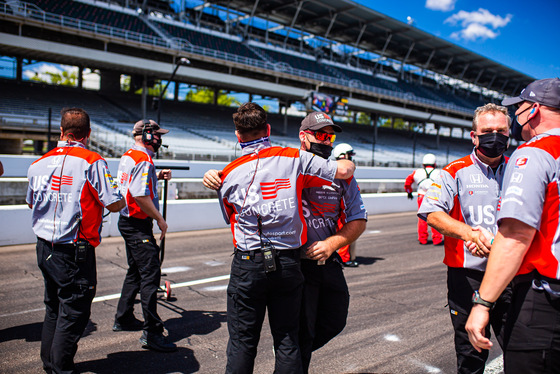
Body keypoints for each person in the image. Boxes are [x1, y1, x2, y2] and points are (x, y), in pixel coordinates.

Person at [201, 103, 355, 373]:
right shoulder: (294, 158)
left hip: (248, 264)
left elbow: (229, 216)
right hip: (287, 264)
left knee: (241, 343)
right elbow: (344, 171)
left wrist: (215, 177)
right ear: (268, 129)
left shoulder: (227, 174)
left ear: (238, 136)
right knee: (287, 341)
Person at [466, 78, 560, 373]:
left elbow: (516, 235)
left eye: (517, 109)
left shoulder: (534, 153)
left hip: (545, 301)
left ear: (532, 110)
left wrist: (483, 303)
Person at [26, 108, 124, 374]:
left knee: (54, 307)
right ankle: (61, 368)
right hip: (74, 250)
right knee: (75, 311)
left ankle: (50, 364)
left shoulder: (38, 162)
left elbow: (31, 202)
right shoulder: (92, 161)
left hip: (44, 246)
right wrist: (121, 197)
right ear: (88, 134)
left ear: (61, 131)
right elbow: (113, 203)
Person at [418, 103, 512, 373]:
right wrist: (467, 232)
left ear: (509, 134)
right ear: (474, 136)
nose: (495, 136)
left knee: (520, 348)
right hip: (468, 274)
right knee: (470, 353)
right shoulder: (453, 171)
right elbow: (431, 212)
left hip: (513, 273)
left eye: (501, 131)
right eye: (487, 131)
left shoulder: (520, 170)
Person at [297, 118, 367, 373]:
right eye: (321, 136)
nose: (326, 141)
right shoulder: (289, 165)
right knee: (302, 332)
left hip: (327, 261)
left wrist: (331, 243)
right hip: (294, 265)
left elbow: (359, 219)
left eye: (330, 138)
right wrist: (217, 175)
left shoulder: (341, 174)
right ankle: (292, 356)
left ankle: (290, 351)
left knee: (335, 319)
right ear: (304, 136)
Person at [113, 119, 175, 352]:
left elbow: (133, 184)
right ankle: (152, 333)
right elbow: (139, 195)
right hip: (138, 224)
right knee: (150, 275)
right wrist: (159, 218)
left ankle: (124, 317)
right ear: (147, 135)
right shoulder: (144, 159)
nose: (160, 138)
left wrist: (156, 176)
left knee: (136, 271)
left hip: (127, 221)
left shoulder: (130, 155)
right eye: (157, 134)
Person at [332, 143, 361, 267]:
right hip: (342, 209)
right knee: (345, 233)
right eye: (349, 155)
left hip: (337, 208)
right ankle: (344, 258)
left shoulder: (334, 168)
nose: (351, 158)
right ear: (342, 155)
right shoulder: (343, 172)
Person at [404, 153, 443, 245]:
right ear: (435, 164)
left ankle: (422, 239)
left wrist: (409, 192)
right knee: (436, 218)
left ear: (423, 164)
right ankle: (437, 239)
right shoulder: (439, 172)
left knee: (422, 219)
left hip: (421, 197)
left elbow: (408, 182)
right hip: (435, 197)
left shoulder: (417, 172)